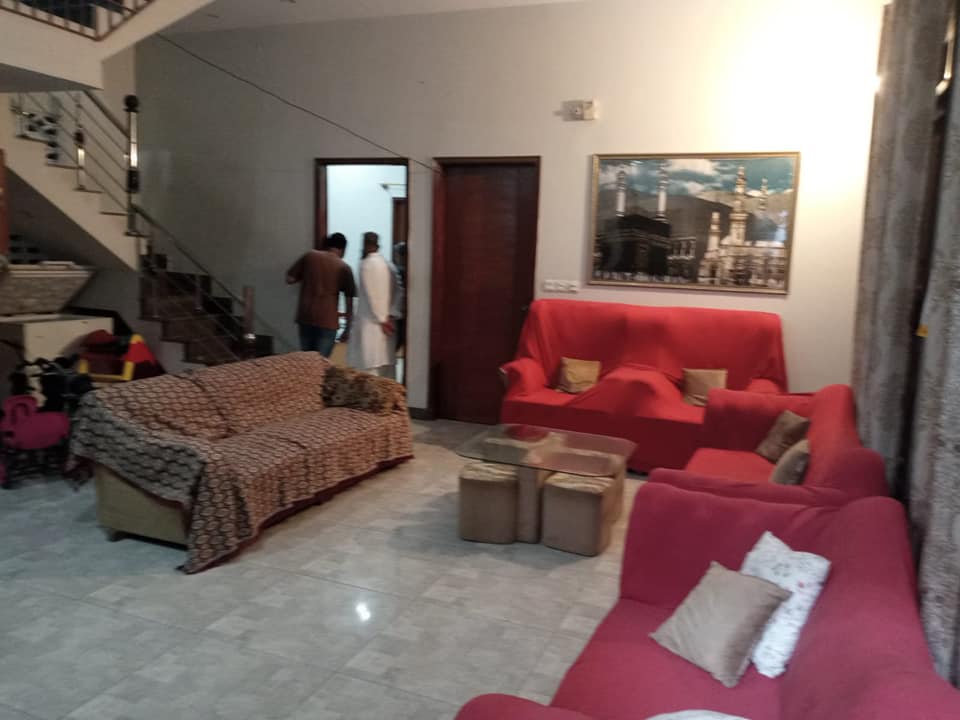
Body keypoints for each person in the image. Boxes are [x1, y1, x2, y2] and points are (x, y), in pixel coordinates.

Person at [285, 233, 356, 357]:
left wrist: (307, 276)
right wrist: (347, 329)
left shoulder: (310, 256)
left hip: (306, 317)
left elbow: (289, 279)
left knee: (306, 361)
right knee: (321, 363)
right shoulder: (344, 267)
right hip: (327, 321)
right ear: (343, 249)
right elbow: (349, 302)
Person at [348, 232, 399, 376]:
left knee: (369, 371)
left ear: (365, 244)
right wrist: (391, 315)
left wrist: (382, 320)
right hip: (388, 325)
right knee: (386, 372)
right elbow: (398, 292)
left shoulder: (366, 264)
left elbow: (372, 296)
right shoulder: (389, 266)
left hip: (370, 324)